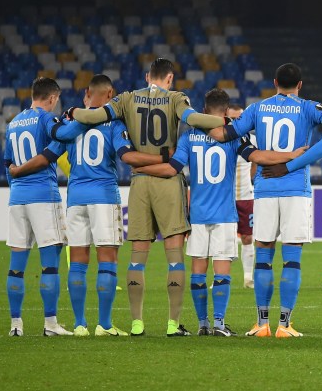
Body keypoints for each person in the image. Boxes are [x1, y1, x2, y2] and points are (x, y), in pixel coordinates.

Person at [67, 58, 229, 337]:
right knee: (175, 257)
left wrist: (72, 110)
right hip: (168, 182)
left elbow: (92, 117)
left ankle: (136, 323)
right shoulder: (177, 98)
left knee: (137, 258)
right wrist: (224, 120)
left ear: (146, 76)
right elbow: (194, 119)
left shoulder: (126, 99)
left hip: (139, 182)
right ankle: (172, 324)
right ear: (169, 79)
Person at [136, 88, 304, 337]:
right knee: (222, 270)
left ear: (203, 111)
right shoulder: (233, 138)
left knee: (198, 271)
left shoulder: (189, 136)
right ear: (226, 113)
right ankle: (218, 323)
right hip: (225, 214)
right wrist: (291, 155)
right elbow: (257, 156)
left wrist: (143, 169)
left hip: (198, 215)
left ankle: (202, 324)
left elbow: (172, 169)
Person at [209, 63, 322, 338]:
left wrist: (243, 146)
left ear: (274, 81)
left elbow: (228, 134)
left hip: (264, 188)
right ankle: (285, 325)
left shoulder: (256, 108)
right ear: (300, 85)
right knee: (292, 259)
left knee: (263, 256)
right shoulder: (308, 107)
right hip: (295, 189)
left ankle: (261, 323)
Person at [62, 75, 161, 336]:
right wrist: (160, 157)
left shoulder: (72, 122)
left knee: (78, 262)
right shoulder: (114, 123)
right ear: (111, 95)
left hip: (75, 198)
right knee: (107, 260)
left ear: (87, 93)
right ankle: (104, 324)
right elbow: (126, 156)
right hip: (104, 196)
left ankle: (79, 324)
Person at [4, 77, 92, 336]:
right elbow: (62, 137)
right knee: (49, 264)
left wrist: (16, 189)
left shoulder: (14, 123)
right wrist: (76, 119)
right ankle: (51, 324)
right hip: (43, 195)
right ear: (53, 98)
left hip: (17, 199)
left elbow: (8, 163)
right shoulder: (46, 119)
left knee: (16, 265)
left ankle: (16, 325)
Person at [227, 103, 257, 289]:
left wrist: (250, 179)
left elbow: (255, 161)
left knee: (247, 238)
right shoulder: (221, 138)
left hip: (246, 196)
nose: (237, 121)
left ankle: (248, 278)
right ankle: (220, 278)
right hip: (226, 198)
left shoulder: (252, 139)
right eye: (233, 118)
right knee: (224, 239)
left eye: (240, 118)